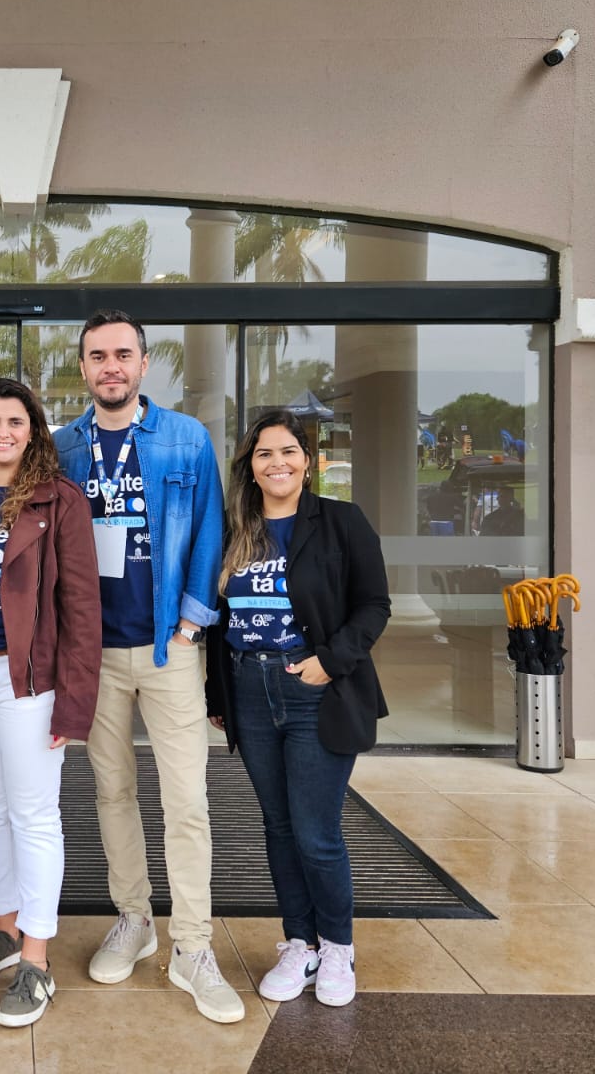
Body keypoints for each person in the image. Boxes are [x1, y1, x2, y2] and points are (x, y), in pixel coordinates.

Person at [52, 308, 244, 1025]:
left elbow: (210, 531)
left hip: (169, 648)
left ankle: (193, 946)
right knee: (111, 792)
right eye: (97, 355)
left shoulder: (184, 439)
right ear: (84, 368)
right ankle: (134, 920)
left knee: (186, 801)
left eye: (123, 354)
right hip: (93, 649)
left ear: (143, 364)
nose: (111, 366)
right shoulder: (64, 447)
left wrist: (194, 621)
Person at [205, 409, 391, 1010]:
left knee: (316, 832)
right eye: (264, 454)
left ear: (308, 461)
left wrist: (328, 662)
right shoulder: (237, 529)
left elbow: (374, 606)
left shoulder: (341, 522)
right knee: (279, 828)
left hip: (315, 691)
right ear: (250, 466)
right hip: (250, 690)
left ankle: (338, 947)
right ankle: (299, 942)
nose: (276, 463)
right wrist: (219, 695)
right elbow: (220, 620)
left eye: (287, 452)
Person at [0, 377, 102, 1028]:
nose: (2, 431)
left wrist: (74, 702)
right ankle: (4, 931)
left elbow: (83, 608)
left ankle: (37, 956)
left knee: (34, 815)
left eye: (15, 420)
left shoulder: (58, 501)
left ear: (32, 429)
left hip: (28, 682)